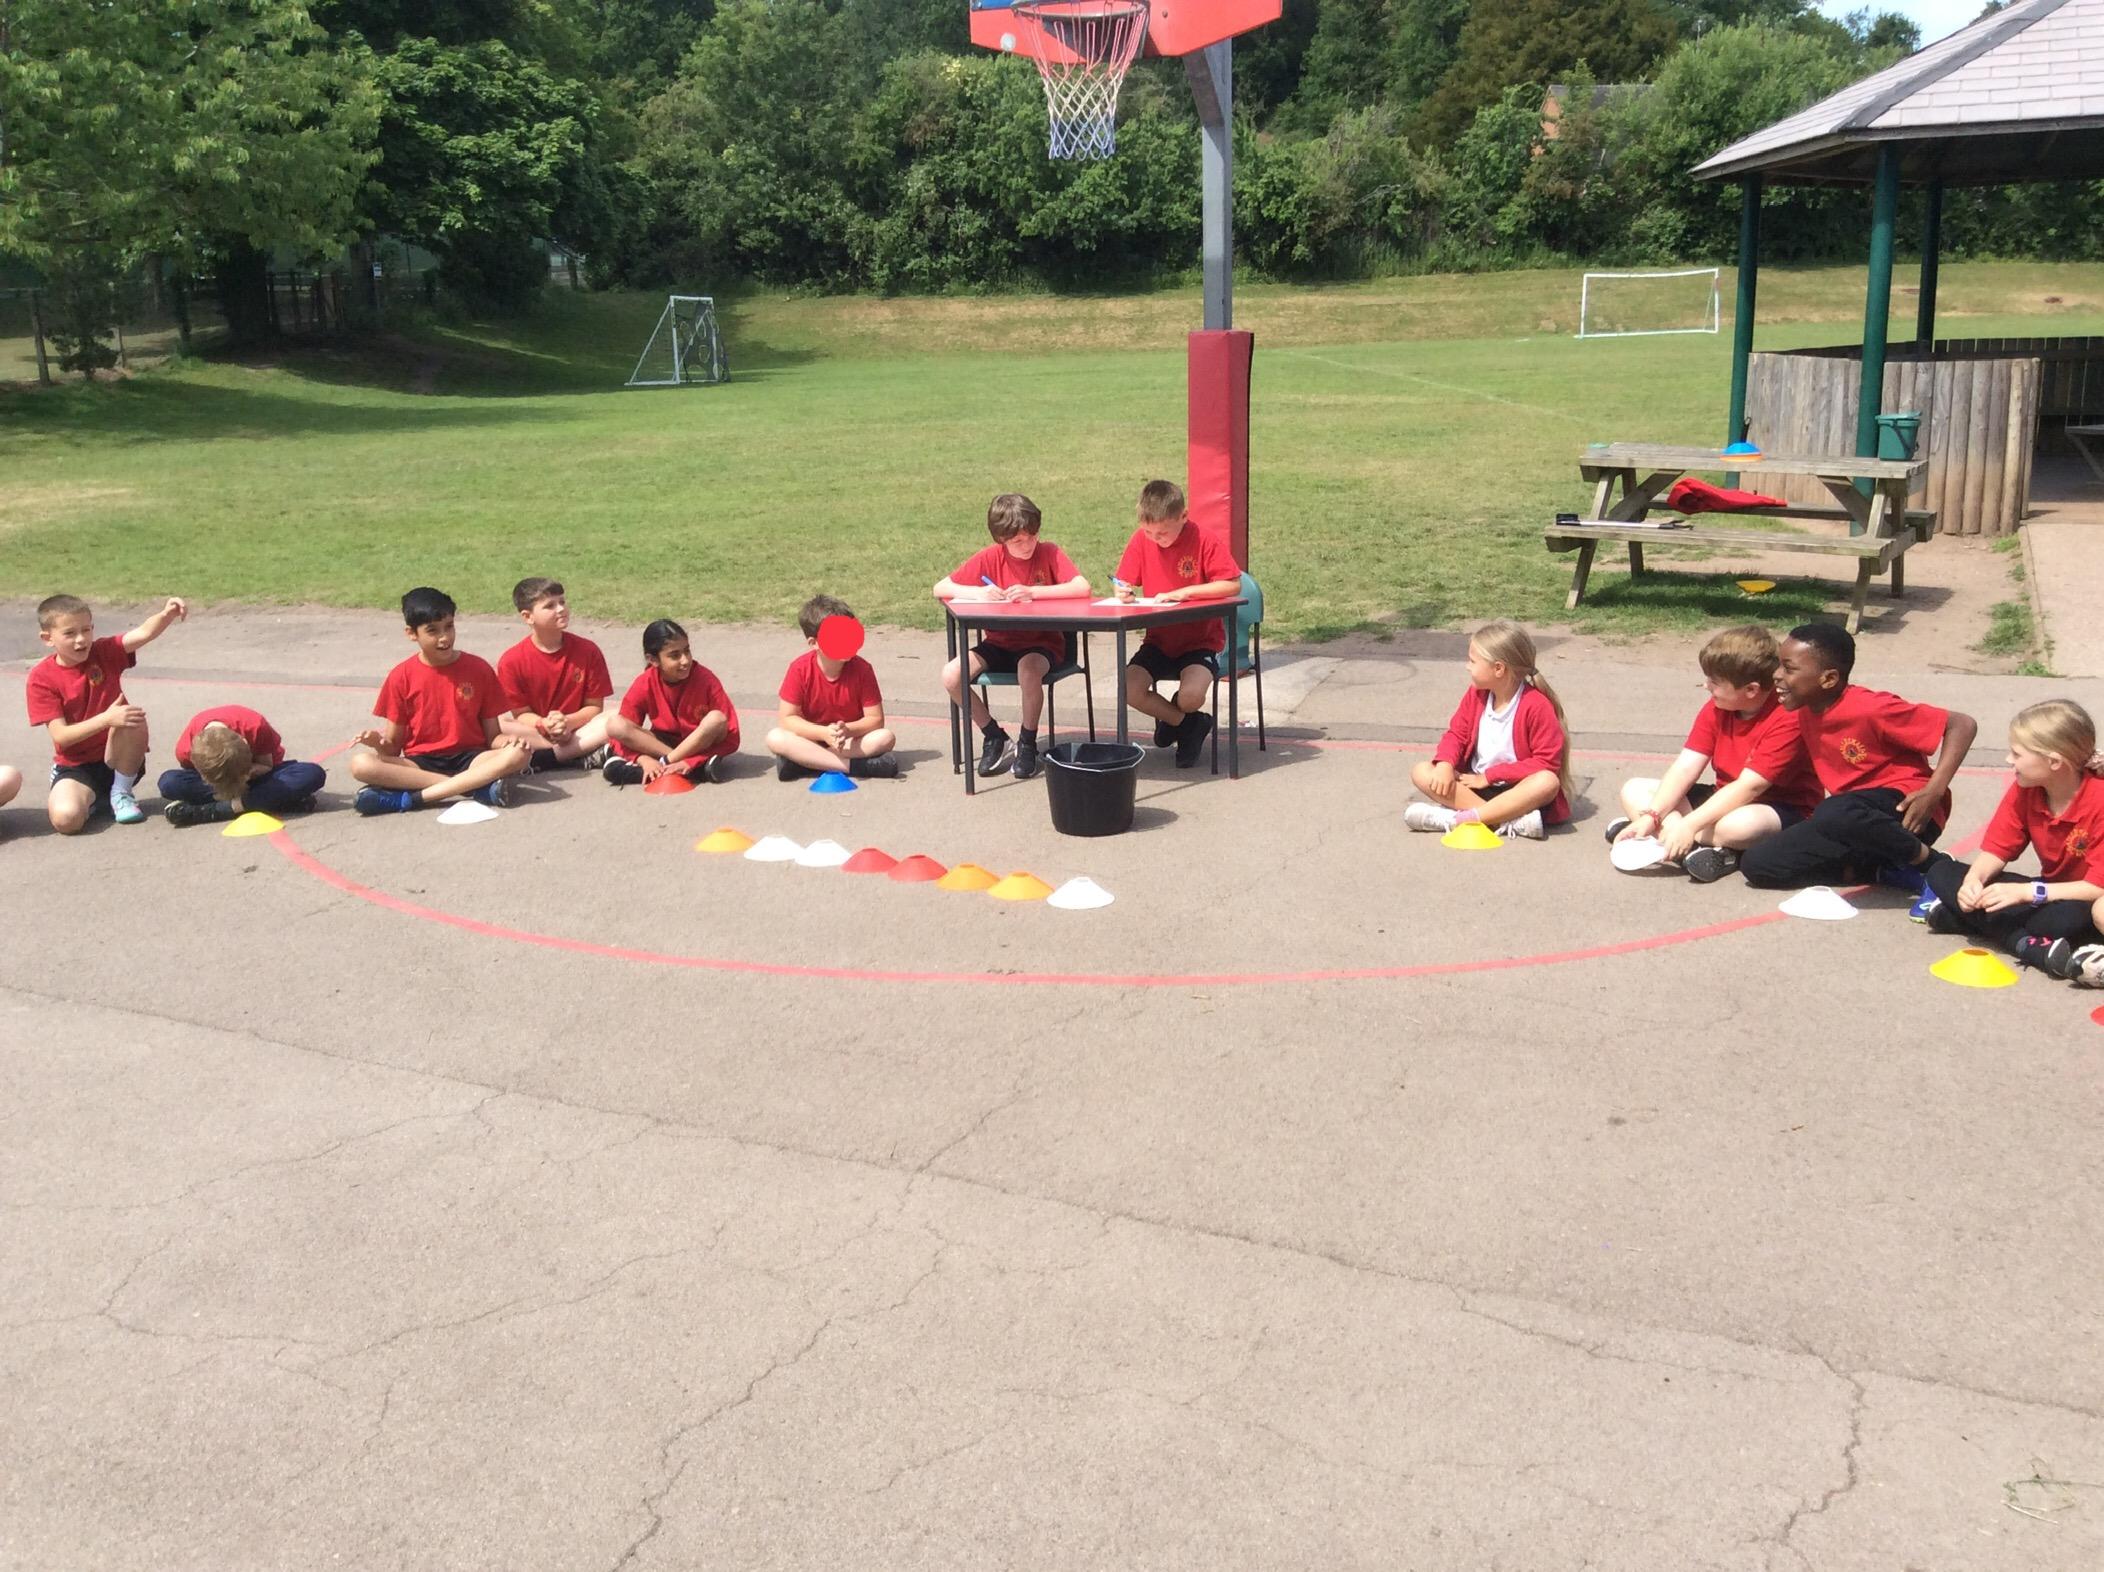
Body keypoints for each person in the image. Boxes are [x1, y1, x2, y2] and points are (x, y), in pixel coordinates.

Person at [1739, 624, 1977, 892]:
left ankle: (1934, 864)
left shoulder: (1869, 707)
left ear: (1829, 679)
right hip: (1848, 820)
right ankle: (1882, 870)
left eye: (1788, 668)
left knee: (1834, 811)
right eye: (1778, 666)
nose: (1777, 675)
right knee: (1758, 864)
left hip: (1908, 811)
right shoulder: (1802, 711)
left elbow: (1962, 724)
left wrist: (1934, 791)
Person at [1605, 624, 1823, 882]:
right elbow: (1686, 767)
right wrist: (1653, 816)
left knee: (1740, 826)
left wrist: (1688, 824)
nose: (1706, 686)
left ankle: (1676, 839)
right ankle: (1683, 843)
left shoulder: (1789, 717)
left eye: (1715, 681)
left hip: (1777, 808)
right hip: (1723, 797)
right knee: (1634, 788)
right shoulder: (1717, 706)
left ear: (1751, 690)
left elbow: (1750, 787)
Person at [1914, 698, 2104, 983]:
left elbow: (2095, 887)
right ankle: (2020, 936)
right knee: (1942, 871)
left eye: (2017, 754)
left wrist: (2027, 892)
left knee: (2067, 919)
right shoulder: (2027, 789)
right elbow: (1997, 849)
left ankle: (2016, 940)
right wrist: (1973, 882)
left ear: (2054, 762)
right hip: (2050, 892)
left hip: (2085, 899)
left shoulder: (2099, 800)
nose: (2008, 760)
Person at [934, 492, 1089, 782]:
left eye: (1032, 537)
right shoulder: (989, 557)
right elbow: (940, 587)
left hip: (1041, 644)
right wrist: (978, 593)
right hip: (998, 643)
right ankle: (994, 735)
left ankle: (1027, 742)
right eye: (1018, 541)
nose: (1028, 545)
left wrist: (1034, 592)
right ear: (1001, 539)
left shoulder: (1049, 552)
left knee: (1028, 670)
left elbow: (1082, 587)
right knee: (951, 675)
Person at [348, 586, 532, 814]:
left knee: (519, 753)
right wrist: (377, 742)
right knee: (361, 764)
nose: (444, 637)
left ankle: (413, 799)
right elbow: (393, 749)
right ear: (412, 633)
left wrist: (509, 741)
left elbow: (493, 736)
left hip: (472, 759)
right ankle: (474, 788)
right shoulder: (400, 676)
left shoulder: (479, 668)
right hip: (420, 763)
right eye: (432, 630)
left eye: (449, 626)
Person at [25, 593, 187, 831]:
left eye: (86, 630)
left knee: (130, 717)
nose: (81, 639)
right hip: (76, 766)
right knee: (66, 821)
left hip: (118, 756)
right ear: (48, 638)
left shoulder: (103, 652)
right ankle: (95, 800)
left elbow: (143, 633)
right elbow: (61, 736)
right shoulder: (41, 678)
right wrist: (105, 719)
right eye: (70, 633)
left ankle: (121, 791)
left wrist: (166, 615)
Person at [1113, 479, 1241, 769]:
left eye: (1162, 533)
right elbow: (1123, 580)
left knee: (1191, 696)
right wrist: (1122, 590)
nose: (1155, 538)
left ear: (1183, 516)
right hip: (1158, 641)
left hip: (1201, 642)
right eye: (1149, 532)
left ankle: (1179, 717)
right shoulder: (1141, 540)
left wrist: (1185, 592)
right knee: (1128, 688)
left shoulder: (1204, 539)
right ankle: (1188, 725)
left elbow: (1232, 584)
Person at [1405, 621, 1573, 840]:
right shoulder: (1476, 694)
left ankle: (1456, 819)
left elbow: (1546, 762)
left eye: (1473, 661)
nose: (1467, 666)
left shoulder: (1536, 705)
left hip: (1518, 792)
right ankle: (1505, 821)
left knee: (1547, 782)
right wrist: (1445, 764)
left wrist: (1489, 777)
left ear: (1498, 669)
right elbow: (1456, 734)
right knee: (1422, 771)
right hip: (1474, 786)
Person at [766, 594, 898, 780]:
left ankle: (805, 763)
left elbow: (875, 719)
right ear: (814, 643)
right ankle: (853, 767)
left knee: (884, 738)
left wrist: (847, 730)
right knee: (775, 737)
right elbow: (787, 719)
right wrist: (823, 733)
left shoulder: (862, 669)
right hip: (810, 739)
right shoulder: (799, 669)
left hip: (847, 741)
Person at [496, 577, 615, 771]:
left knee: (618, 715)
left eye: (562, 602)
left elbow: (594, 707)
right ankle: (576, 755)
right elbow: (521, 714)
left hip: (579, 729)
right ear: (528, 617)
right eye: (550, 606)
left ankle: (547, 758)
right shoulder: (511, 660)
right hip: (537, 732)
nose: (561, 609)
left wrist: (567, 723)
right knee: (497, 725)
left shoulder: (588, 650)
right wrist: (545, 724)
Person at [602, 619, 740, 785]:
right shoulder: (645, 683)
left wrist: (691, 760)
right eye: (675, 655)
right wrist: (643, 759)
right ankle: (688, 770)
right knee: (615, 725)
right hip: (662, 746)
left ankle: (672, 767)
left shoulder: (706, 680)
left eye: (687, 651)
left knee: (716, 719)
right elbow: (619, 736)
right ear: (653, 660)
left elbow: (732, 737)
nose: (685, 660)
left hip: (699, 745)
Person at [158, 705, 327, 826]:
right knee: (169, 782)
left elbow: (267, 765)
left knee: (311, 773)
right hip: (218, 784)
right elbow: (193, 774)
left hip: (258, 777)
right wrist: (222, 783)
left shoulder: (255, 725)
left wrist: (253, 771)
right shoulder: (185, 750)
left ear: (245, 743)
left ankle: (214, 810)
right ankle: (268, 801)